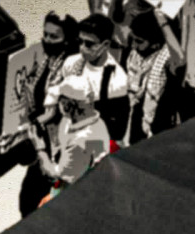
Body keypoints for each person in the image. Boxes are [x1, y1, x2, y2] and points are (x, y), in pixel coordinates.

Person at [19, 12, 81, 217]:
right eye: (45, 35)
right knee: (28, 200)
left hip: (60, 143)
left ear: (67, 40)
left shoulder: (72, 67)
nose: (47, 40)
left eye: (54, 37)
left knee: (48, 200)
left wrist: (31, 124)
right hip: (42, 138)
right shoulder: (45, 59)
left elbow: (56, 111)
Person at [44, 14, 131, 143]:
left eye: (89, 44)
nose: (82, 48)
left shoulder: (116, 80)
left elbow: (116, 131)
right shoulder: (71, 62)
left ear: (105, 44)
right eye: (80, 42)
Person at [29, 76, 114, 205]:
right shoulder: (76, 120)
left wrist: (39, 147)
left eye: (60, 101)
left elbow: (54, 175)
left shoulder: (80, 142)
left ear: (67, 105)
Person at [124, 12, 171, 146]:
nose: (133, 46)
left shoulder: (167, 60)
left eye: (139, 41)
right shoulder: (134, 54)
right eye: (133, 39)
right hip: (133, 117)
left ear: (156, 44)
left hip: (156, 124)